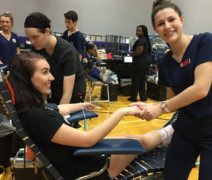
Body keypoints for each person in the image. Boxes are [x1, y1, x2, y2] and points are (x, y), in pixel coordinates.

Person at [8, 52, 175, 180]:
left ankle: (166, 135)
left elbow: (57, 108)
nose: (51, 77)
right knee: (135, 141)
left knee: (128, 137)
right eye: (44, 72)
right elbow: (88, 139)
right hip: (90, 171)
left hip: (78, 156)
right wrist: (121, 112)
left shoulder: (31, 109)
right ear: (27, 79)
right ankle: (168, 133)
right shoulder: (39, 117)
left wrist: (81, 105)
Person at [131, 0, 212, 180]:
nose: (167, 26)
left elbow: (200, 89)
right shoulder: (165, 62)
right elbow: (173, 100)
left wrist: (160, 107)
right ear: (156, 30)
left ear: (181, 20)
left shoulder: (204, 41)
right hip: (186, 131)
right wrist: (150, 107)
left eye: (171, 19)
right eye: (160, 24)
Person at [24, 12, 86, 105]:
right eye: (29, 38)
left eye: (35, 37)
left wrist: (58, 117)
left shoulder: (67, 52)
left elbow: (67, 94)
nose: (32, 42)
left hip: (73, 93)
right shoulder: (36, 49)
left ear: (47, 31)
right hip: (55, 89)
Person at [0, 12, 20, 180]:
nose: (4, 24)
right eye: (2, 22)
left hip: (14, 76)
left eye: (7, 22)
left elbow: (18, 54)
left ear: (11, 23)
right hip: (2, 75)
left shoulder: (14, 37)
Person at [128, 25, 152, 102]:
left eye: (139, 30)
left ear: (143, 32)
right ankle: (143, 97)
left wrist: (131, 53)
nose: (137, 32)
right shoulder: (145, 40)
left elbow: (139, 52)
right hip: (146, 61)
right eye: (137, 30)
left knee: (136, 79)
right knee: (142, 80)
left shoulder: (141, 40)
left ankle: (133, 97)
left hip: (140, 61)